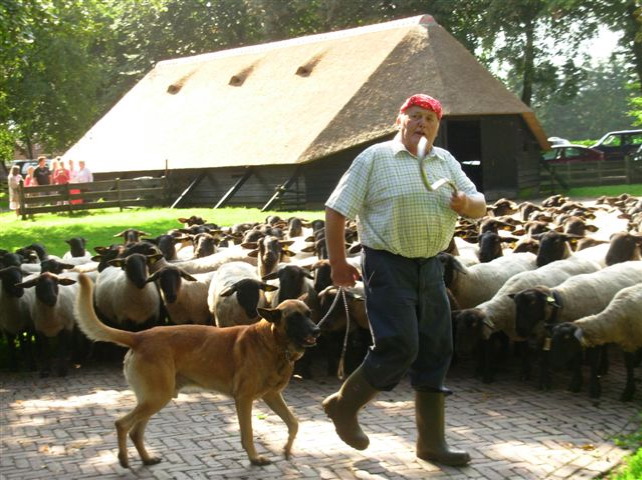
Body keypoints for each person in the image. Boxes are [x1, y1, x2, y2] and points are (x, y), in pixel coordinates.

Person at [322, 94, 486, 466]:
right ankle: (344, 407)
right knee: (399, 345)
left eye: (429, 119)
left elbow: (480, 205)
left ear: (437, 127)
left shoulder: (445, 161)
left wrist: (465, 204)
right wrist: (336, 262)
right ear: (400, 120)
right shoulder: (374, 158)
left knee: (436, 348)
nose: (421, 124)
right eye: (414, 116)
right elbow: (335, 211)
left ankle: (431, 444)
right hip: (386, 264)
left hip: (430, 266)